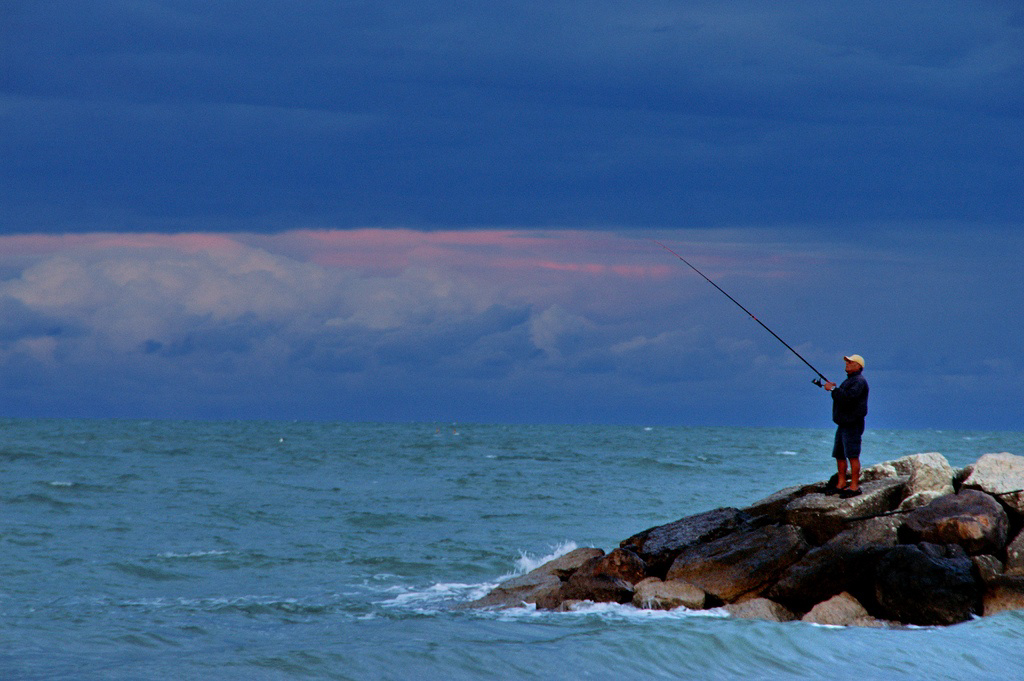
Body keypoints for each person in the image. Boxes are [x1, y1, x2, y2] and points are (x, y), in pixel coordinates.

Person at [823, 354, 869, 498]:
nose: (847, 364)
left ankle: (854, 487)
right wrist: (835, 389)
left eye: (850, 362)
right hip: (843, 423)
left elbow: (849, 398)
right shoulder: (850, 381)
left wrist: (832, 389)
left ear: (858, 366)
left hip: (853, 424)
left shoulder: (859, 382)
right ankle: (841, 484)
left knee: (852, 455)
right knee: (840, 455)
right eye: (847, 362)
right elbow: (843, 395)